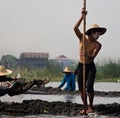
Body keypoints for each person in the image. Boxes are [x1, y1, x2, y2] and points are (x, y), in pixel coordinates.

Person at [73, 8, 107, 114]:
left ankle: (91, 107)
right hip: (81, 65)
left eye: (99, 34)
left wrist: (87, 54)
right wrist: (82, 17)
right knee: (81, 88)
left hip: (90, 66)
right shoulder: (82, 38)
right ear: (92, 33)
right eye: (97, 33)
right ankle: (85, 106)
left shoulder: (98, 45)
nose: (98, 36)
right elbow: (75, 28)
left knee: (89, 87)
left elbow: (92, 56)